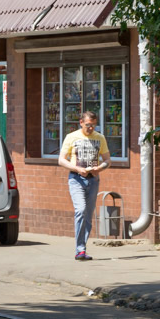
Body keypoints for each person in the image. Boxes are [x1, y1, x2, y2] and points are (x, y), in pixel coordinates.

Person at [58, 111, 111, 261]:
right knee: (80, 210)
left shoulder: (100, 138)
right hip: (76, 179)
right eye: (88, 125)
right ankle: (79, 249)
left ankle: (82, 250)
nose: (91, 128)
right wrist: (77, 169)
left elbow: (107, 160)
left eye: (93, 125)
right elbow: (61, 160)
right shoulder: (71, 137)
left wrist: (99, 168)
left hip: (93, 180)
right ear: (81, 122)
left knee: (88, 215)